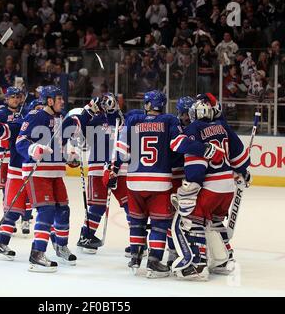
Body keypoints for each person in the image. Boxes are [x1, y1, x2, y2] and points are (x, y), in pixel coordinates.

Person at [114, 90, 225, 278]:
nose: (185, 117)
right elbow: (179, 145)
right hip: (162, 180)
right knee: (161, 223)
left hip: (134, 180)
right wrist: (205, 149)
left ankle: (135, 255)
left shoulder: (134, 120)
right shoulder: (169, 122)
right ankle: (157, 260)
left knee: (137, 221)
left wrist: (114, 169)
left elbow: (121, 152)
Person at [16, 85, 98, 272]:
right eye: (58, 98)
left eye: (62, 98)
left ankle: (60, 246)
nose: (62, 101)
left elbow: (66, 140)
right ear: (49, 100)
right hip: (37, 173)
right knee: (46, 211)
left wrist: (70, 157)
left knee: (63, 210)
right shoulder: (35, 116)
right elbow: (20, 142)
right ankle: (37, 253)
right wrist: (34, 149)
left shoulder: (61, 119)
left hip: (55, 173)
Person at [171, 98, 251, 281]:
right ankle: (224, 260)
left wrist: (191, 185)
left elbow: (180, 147)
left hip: (211, 186)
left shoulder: (195, 128)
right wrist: (243, 172)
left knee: (193, 220)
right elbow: (241, 159)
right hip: (227, 187)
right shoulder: (223, 127)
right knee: (215, 222)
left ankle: (198, 265)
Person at [75, 94, 130, 256]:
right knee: (97, 206)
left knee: (129, 205)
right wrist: (89, 108)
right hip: (98, 168)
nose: (107, 105)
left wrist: (114, 111)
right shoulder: (94, 120)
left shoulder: (122, 119)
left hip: (120, 168)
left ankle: (138, 241)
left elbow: (123, 123)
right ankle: (87, 236)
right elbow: (78, 129)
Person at [0, 87, 34, 259]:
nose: (15, 100)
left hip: (26, 162)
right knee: (9, 193)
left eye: (18, 97)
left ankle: (27, 218)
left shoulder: (27, 113)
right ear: (6, 98)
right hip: (9, 159)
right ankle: (8, 226)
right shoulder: (0, 113)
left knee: (32, 197)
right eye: (12, 97)